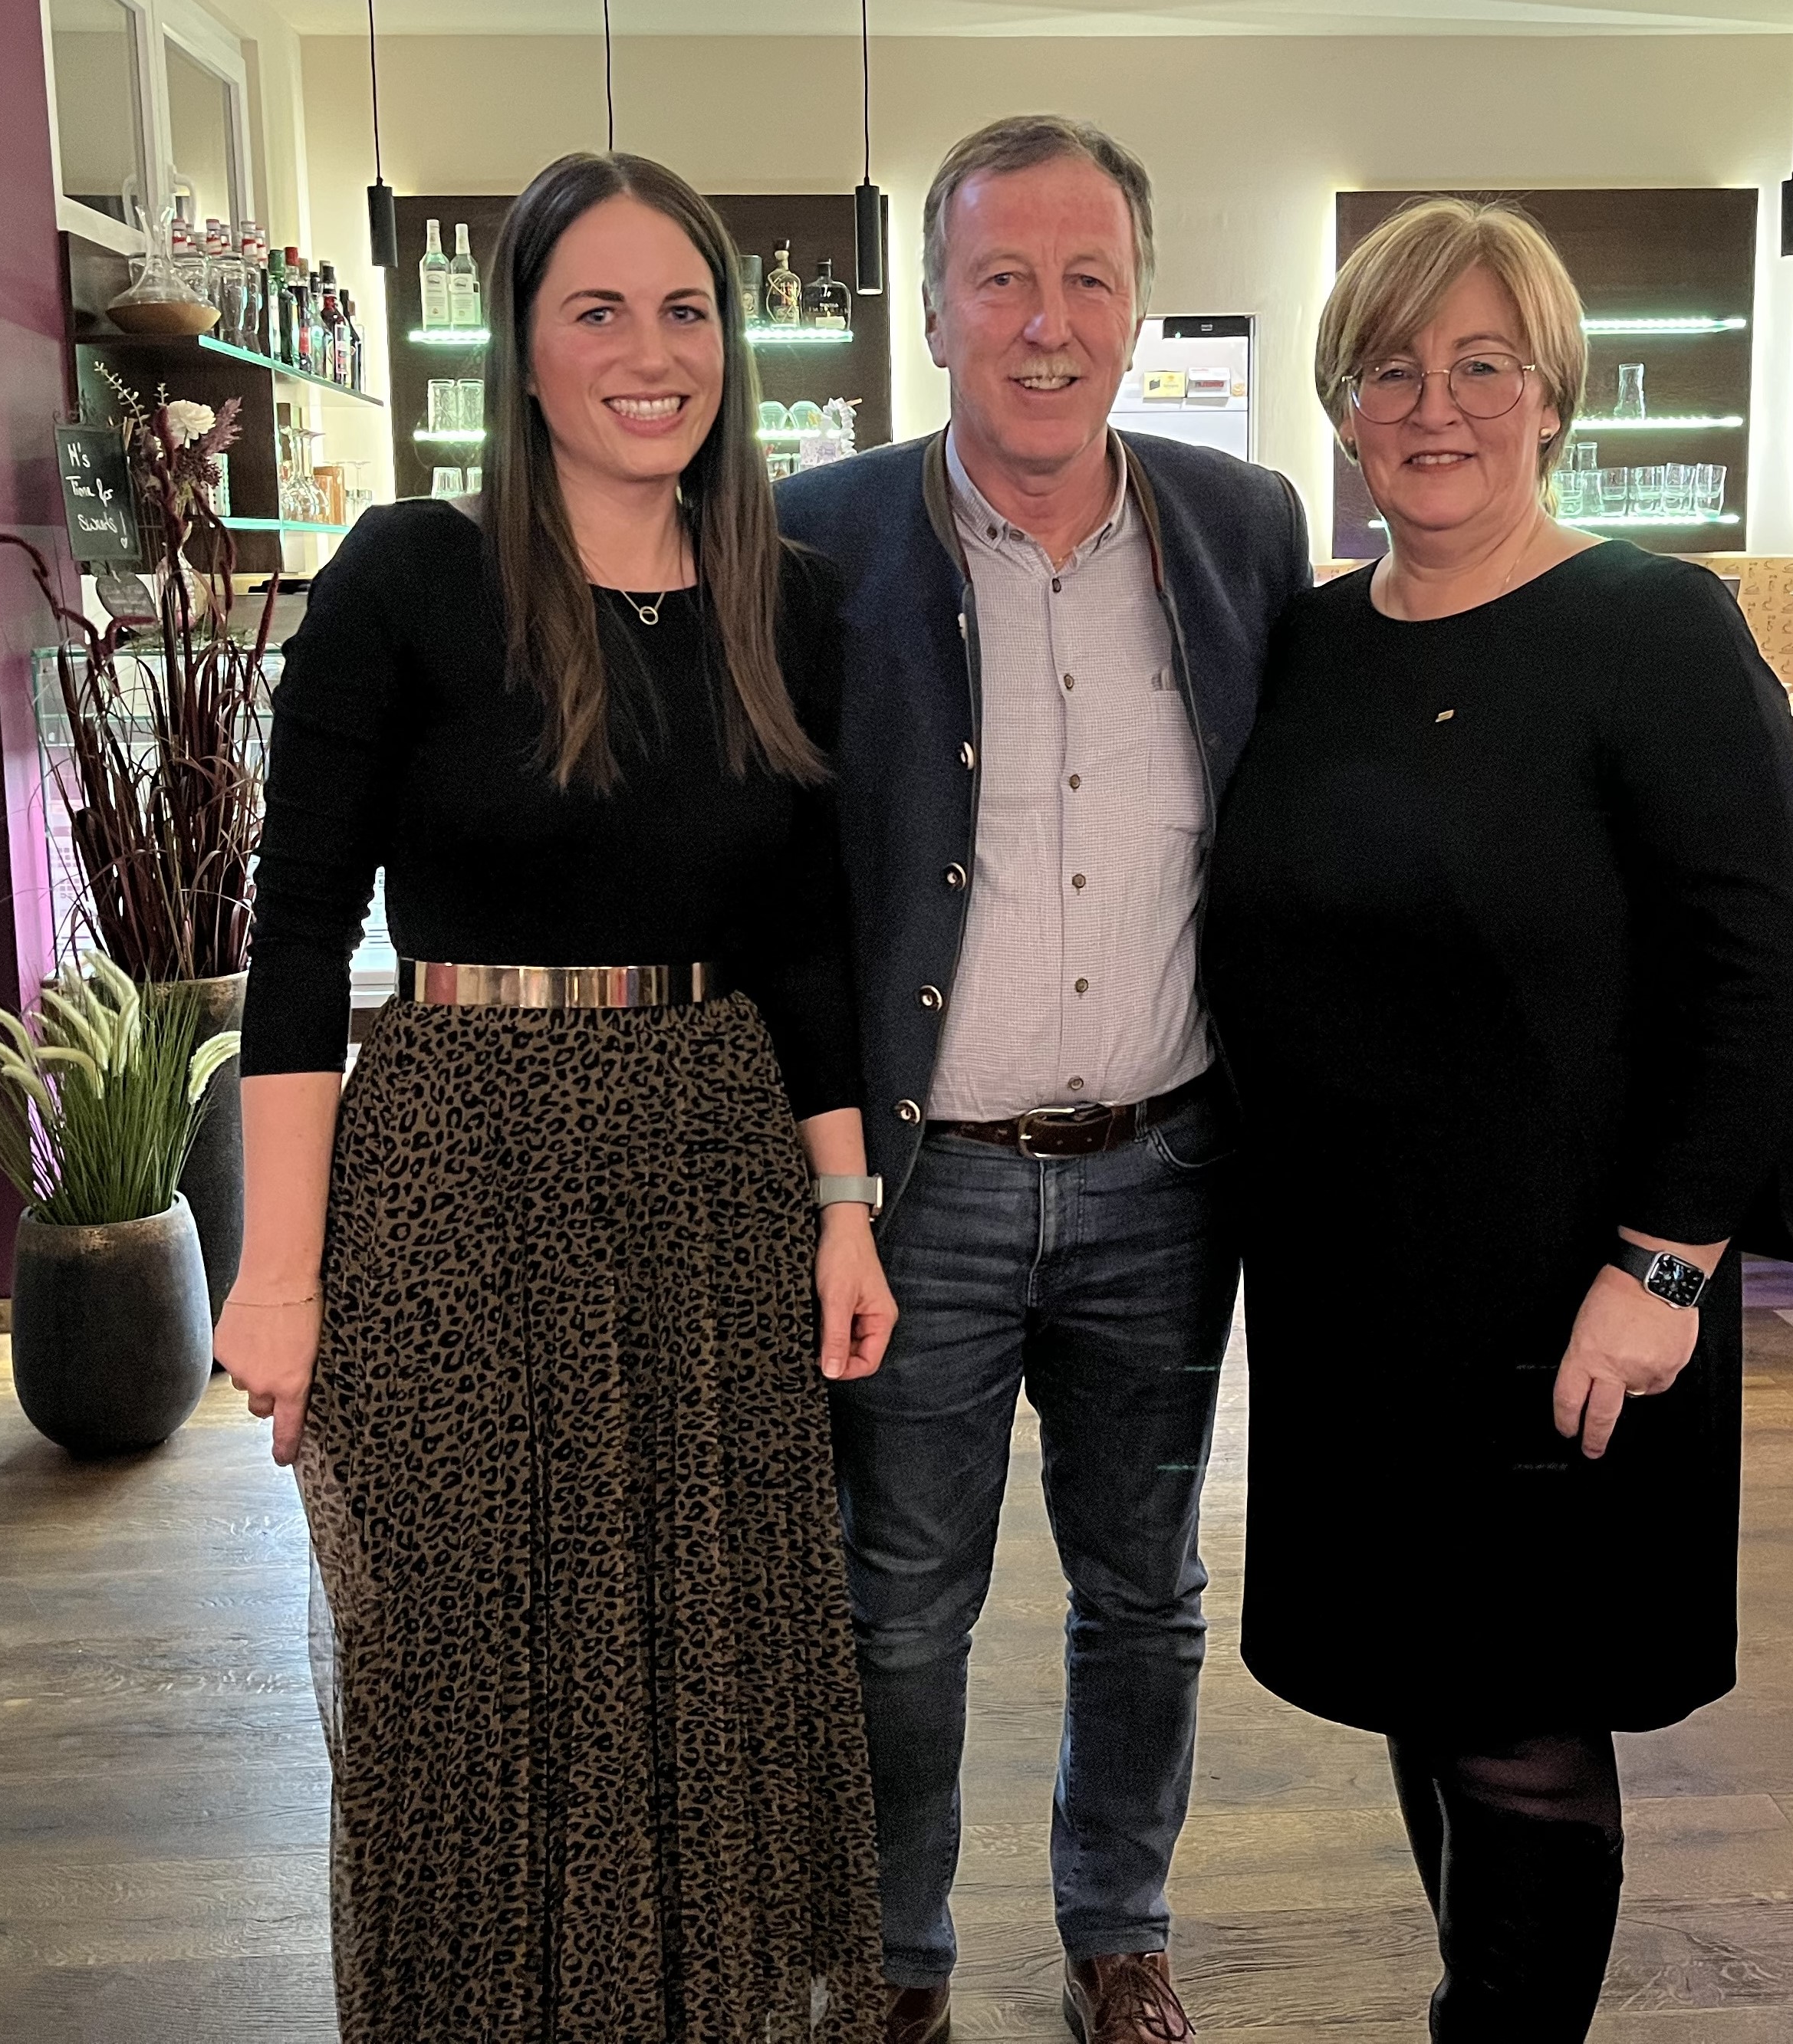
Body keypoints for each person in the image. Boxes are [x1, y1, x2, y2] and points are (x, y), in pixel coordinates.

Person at [215, 151, 895, 2043]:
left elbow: (807, 943)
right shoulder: (410, 577)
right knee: (462, 1662)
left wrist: (845, 1209)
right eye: (595, 309)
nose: (647, 353)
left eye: (684, 310)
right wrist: (278, 1274)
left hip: (710, 1171)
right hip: (455, 1165)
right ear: (519, 347)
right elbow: (296, 939)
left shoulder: (789, 600)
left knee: (701, 1654)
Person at [1201, 197, 1793, 2042]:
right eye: (1391, 368)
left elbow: (1761, 972)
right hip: (1350, 1293)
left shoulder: (1649, 628)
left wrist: (1667, 1261)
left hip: (1569, 1287)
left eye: (1481, 364)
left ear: (1552, 394)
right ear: (1340, 403)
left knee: (1523, 1712)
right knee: (1427, 1682)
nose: (1435, 405)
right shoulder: (1309, 645)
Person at [777, 115, 1311, 2044]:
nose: (1045, 320)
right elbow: (778, 876)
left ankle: (1117, 1928)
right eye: (1000, 277)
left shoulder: (1242, 527)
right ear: (932, 312)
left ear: (1137, 306)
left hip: (1166, 1171)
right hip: (920, 1187)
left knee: (1145, 1588)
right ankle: (894, 1958)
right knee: (899, 1602)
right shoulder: (814, 537)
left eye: (1087, 278)